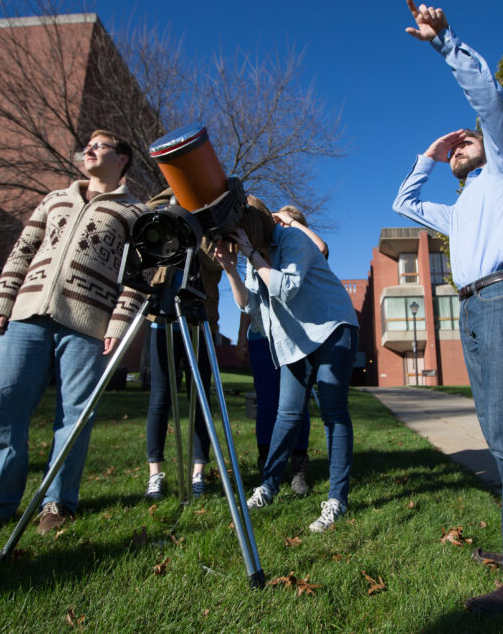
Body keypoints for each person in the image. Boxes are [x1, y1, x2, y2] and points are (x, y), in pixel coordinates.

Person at [392, 0, 503, 614]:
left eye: (468, 142)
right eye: (459, 145)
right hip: (474, 308)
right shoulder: (461, 206)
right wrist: (430, 157)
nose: (464, 142)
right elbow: (405, 205)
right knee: (500, 435)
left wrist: (445, 42)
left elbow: (490, 100)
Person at [0, 129, 146, 537]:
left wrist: (120, 324)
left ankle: (57, 504)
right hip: (27, 316)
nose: (89, 150)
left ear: (123, 159)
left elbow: (138, 277)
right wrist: (3, 299)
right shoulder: (54, 199)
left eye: (100, 145)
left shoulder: (134, 212)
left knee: (74, 417)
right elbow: (22, 249)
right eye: (87, 145)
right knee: (3, 406)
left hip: (88, 325)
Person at [215, 196, 358, 533]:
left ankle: (337, 499)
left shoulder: (293, 240)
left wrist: (251, 254)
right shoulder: (254, 259)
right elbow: (250, 307)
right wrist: (231, 269)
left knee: (333, 410)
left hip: (332, 329)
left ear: (253, 228)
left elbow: (286, 288)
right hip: (297, 341)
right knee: (287, 413)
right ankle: (267, 486)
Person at [142, 189, 223, 500]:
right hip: (162, 317)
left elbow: (213, 263)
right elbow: (144, 214)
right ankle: (155, 475)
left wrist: (197, 220)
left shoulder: (213, 230)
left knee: (200, 398)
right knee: (160, 396)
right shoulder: (167, 217)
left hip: (199, 320)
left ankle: (198, 472)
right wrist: (175, 191)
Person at [248, 205, 328, 495]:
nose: (276, 222)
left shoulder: (299, 249)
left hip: (295, 336)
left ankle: (297, 468)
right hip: (260, 336)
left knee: (296, 406)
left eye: (283, 219)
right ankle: (267, 464)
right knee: (267, 403)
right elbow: (250, 300)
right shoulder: (260, 249)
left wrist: (292, 222)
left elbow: (322, 247)